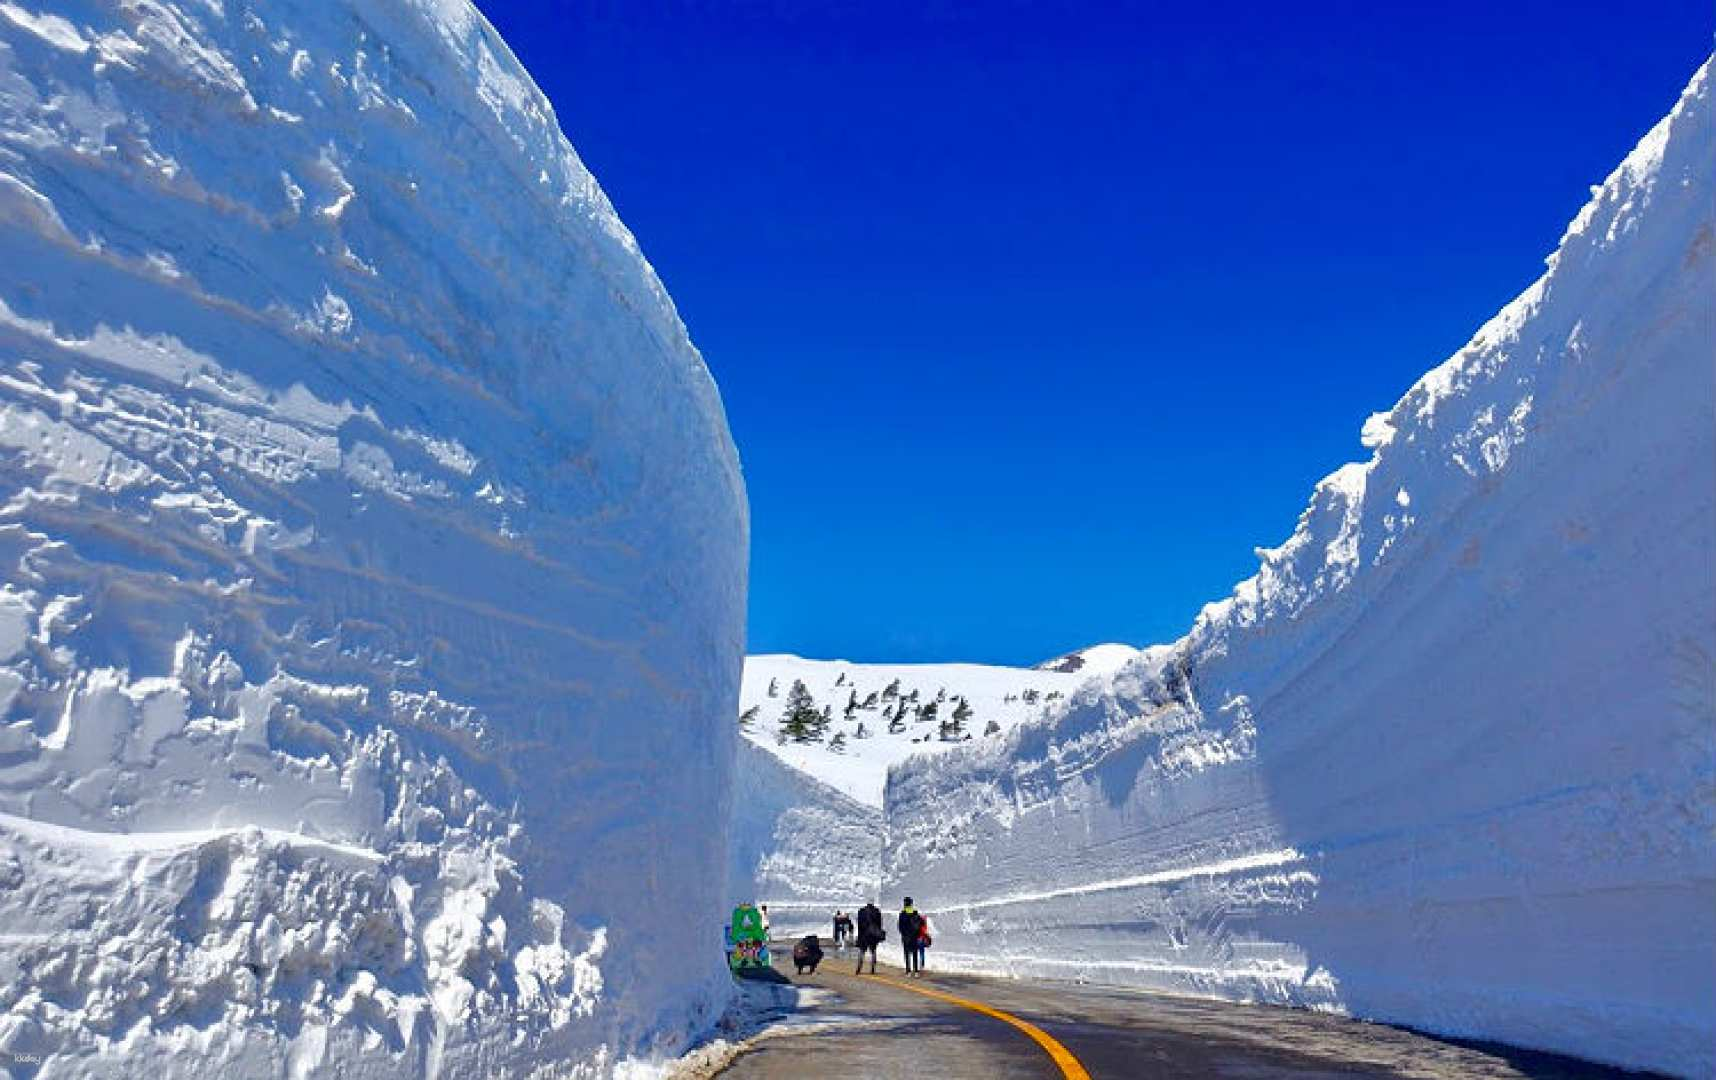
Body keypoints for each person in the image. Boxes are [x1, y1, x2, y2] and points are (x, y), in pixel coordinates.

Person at [898, 897, 927, 976]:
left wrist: (903, 934)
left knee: (907, 954)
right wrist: (917, 934)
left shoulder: (902, 914)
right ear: (911, 904)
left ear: (905, 904)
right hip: (914, 937)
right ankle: (916, 971)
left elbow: (900, 927)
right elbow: (922, 923)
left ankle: (908, 971)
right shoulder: (915, 913)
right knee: (915, 954)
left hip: (906, 937)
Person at [853, 901, 884, 975]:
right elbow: (879, 924)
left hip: (863, 934)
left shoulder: (862, 911)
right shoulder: (876, 911)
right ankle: (873, 968)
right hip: (873, 935)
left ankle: (859, 968)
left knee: (862, 951)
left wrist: (859, 936)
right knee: (873, 951)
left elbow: (859, 924)